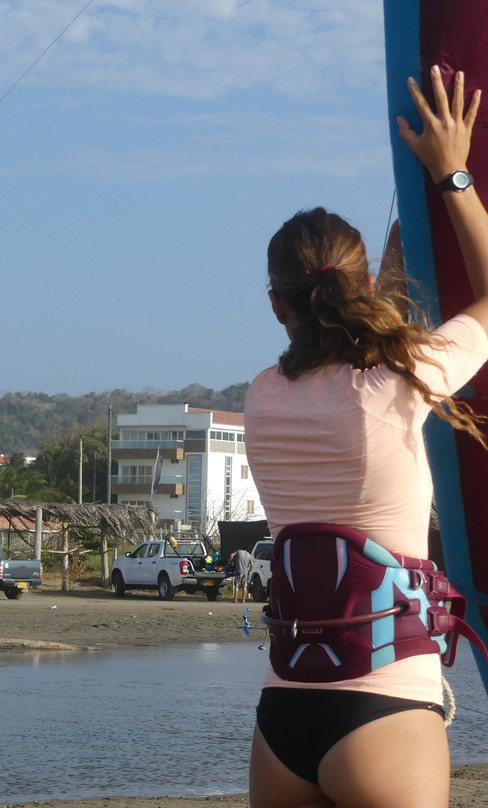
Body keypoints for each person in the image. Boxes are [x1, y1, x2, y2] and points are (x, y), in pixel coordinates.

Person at [245, 65, 488, 808]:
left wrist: (380, 291)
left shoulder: (261, 397)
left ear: (277, 307)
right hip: (384, 707)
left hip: (284, 714)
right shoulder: (403, 379)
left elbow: (347, 361)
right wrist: (451, 176)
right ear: (352, 290)